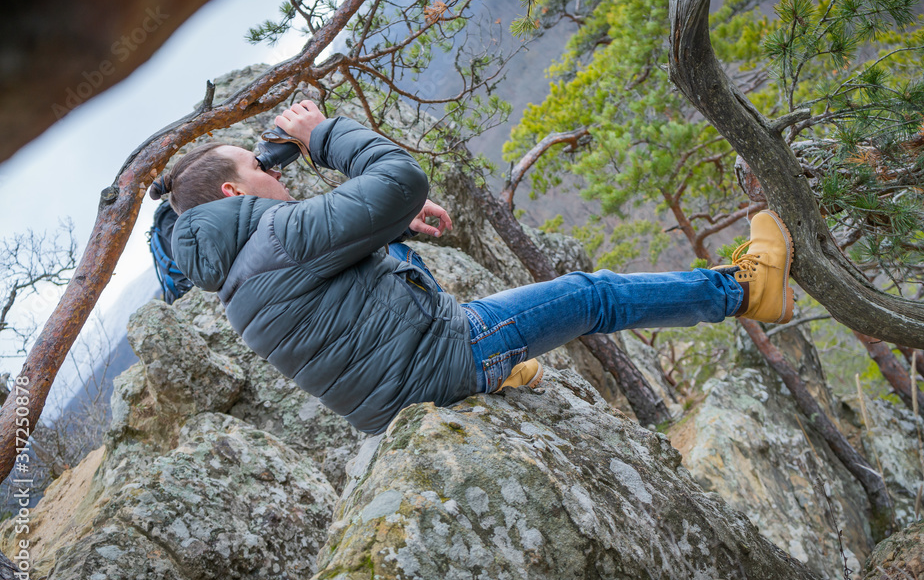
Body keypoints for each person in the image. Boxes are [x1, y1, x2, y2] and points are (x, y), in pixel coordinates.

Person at [150, 100, 794, 435]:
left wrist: (391, 223)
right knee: (588, 294)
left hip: (392, 397)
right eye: (263, 167)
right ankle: (746, 289)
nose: (277, 173)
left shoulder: (238, 277)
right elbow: (400, 175)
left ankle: (501, 374)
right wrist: (321, 133)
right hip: (445, 360)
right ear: (233, 194)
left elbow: (335, 297)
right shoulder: (281, 238)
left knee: (530, 307)